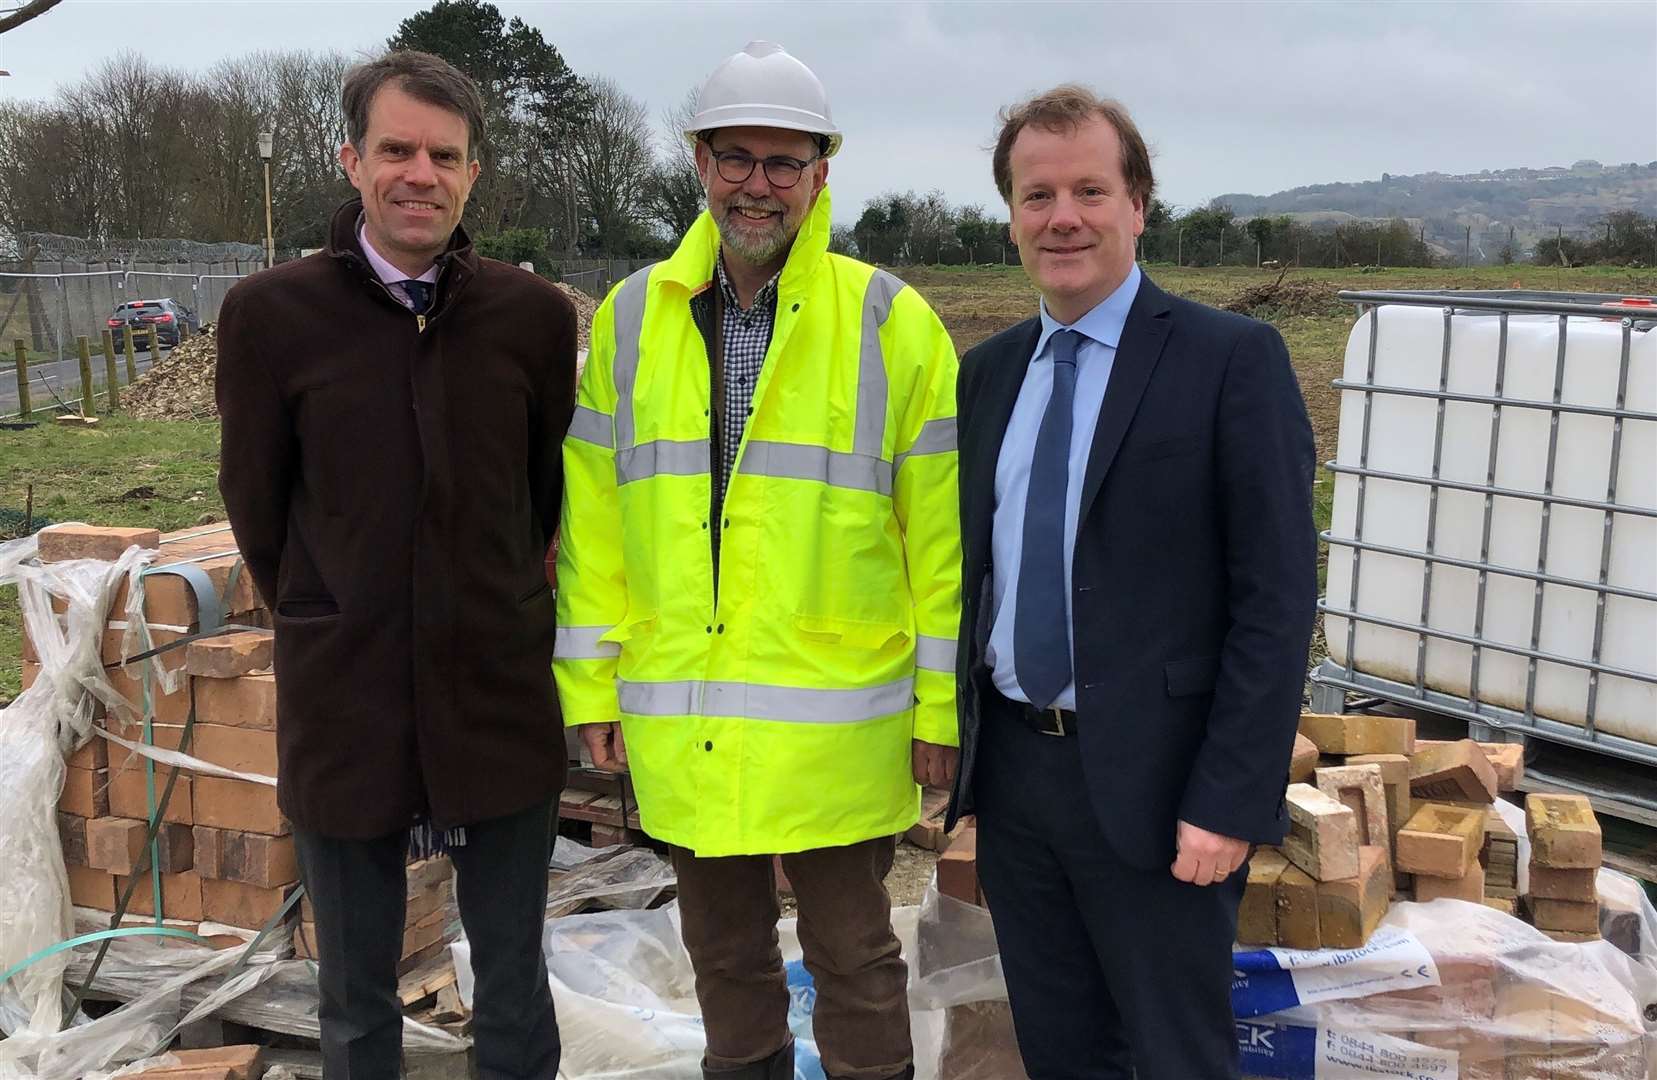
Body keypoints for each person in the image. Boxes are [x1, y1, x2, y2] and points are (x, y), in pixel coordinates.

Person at [553, 40, 960, 1080]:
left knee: (857, 960)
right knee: (724, 961)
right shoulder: (633, 317)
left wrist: (938, 714)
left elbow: (941, 543)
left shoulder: (891, 323)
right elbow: (595, 524)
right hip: (685, 713)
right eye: (737, 157)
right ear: (697, 161)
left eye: (786, 163)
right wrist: (588, 684)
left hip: (836, 722)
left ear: (823, 172)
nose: (759, 185)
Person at [215, 49, 574, 1080]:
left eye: (444, 155)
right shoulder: (272, 317)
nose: (420, 173)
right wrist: (329, 607)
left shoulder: (532, 318)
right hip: (348, 697)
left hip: (493, 689)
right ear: (351, 159)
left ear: (473, 175)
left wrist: (493, 596)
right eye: (396, 149)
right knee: (355, 991)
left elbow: (541, 498)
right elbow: (259, 506)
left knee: (511, 975)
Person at [945, 85, 1316, 1079]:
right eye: (1035, 196)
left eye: (1088, 190)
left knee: (1173, 1054)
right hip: (1020, 782)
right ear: (1012, 217)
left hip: (1161, 791)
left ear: (1138, 204)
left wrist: (1232, 799)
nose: (1061, 216)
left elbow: (1274, 603)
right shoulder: (986, 374)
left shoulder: (1229, 360)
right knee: (1060, 1048)